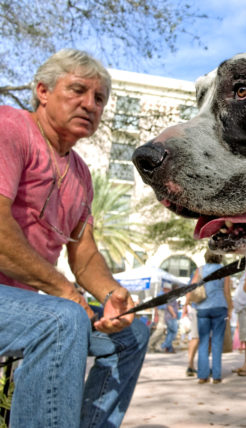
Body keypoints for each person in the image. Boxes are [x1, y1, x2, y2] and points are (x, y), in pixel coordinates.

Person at [0, 49, 149, 428]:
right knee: (62, 317)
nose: (90, 104)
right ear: (42, 92)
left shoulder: (81, 175)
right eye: (78, 90)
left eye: (99, 99)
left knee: (133, 332)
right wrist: (65, 291)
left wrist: (114, 296)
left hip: (21, 305)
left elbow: (83, 257)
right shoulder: (10, 128)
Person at [191, 250, 232, 384]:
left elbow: (193, 287)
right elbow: (227, 291)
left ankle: (202, 375)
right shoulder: (224, 270)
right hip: (220, 306)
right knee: (217, 341)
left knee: (203, 342)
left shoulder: (200, 270)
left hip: (202, 307)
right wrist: (230, 308)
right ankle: (216, 375)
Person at [148, 284, 170, 352]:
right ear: (165, 288)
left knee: (161, 330)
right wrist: (156, 314)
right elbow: (156, 304)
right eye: (168, 290)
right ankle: (150, 344)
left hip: (163, 312)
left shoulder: (163, 294)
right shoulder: (161, 294)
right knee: (160, 329)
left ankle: (154, 345)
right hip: (161, 312)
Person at [182, 296, 199, 376]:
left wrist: (185, 306)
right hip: (200, 308)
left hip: (196, 308)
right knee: (196, 338)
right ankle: (192, 365)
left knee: (194, 338)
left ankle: (191, 365)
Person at [160, 287, 179, 353]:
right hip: (171, 317)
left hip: (169, 317)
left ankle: (169, 349)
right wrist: (174, 314)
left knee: (170, 333)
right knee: (174, 332)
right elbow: (169, 306)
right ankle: (164, 345)